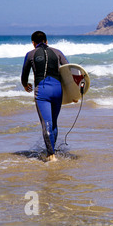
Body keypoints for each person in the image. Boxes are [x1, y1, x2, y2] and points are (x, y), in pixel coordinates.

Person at [21, 31, 69, 161]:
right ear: (46, 41)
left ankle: (51, 155)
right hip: (58, 90)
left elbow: (24, 75)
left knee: (46, 123)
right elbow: (69, 71)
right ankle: (53, 150)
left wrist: (26, 85)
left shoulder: (30, 54)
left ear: (33, 43)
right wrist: (74, 93)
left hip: (42, 91)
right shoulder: (57, 52)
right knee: (54, 123)